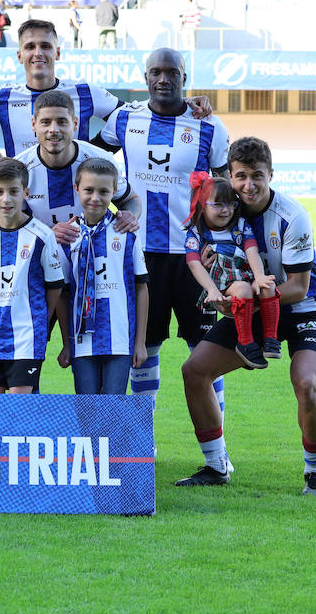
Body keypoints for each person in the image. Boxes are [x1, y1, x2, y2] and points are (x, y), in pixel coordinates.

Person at [178, 137, 316, 495]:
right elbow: (203, 262)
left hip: (302, 304)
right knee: (195, 371)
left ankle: (315, 472)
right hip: (249, 302)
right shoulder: (217, 210)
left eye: (257, 176)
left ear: (271, 175)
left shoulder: (292, 216)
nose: (249, 186)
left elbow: (297, 285)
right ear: (229, 175)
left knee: (306, 383)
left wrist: (245, 303)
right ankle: (217, 466)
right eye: (241, 176)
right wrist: (220, 290)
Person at [97, 48, 230, 431]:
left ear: (184, 77)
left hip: (195, 258)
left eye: (172, 72)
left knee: (207, 354)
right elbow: (87, 159)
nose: (163, 78)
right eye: (156, 71)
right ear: (145, 77)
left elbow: (223, 192)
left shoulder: (209, 126)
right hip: (141, 257)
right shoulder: (124, 119)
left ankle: (217, 451)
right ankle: (143, 444)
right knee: (145, 351)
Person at [53, 158, 147, 395]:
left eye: (104, 191)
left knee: (112, 409)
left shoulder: (127, 233)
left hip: (119, 339)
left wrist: (140, 342)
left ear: (114, 192)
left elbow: (141, 287)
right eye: (88, 190)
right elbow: (63, 294)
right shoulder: (68, 237)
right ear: (77, 189)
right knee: (87, 411)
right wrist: (66, 342)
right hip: (81, 341)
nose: (95, 197)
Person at [0, 158, 64, 394]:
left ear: (25, 193)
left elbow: (54, 286)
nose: (7, 199)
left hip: (27, 335)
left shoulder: (42, 236)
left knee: (18, 407)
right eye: (0, 191)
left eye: (13, 191)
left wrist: (41, 321)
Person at [0, 19, 120, 156]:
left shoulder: (85, 92)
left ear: (57, 53)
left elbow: (127, 118)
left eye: (45, 46)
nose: (38, 53)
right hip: (22, 181)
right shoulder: (0, 97)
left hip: (75, 181)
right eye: (30, 47)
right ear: (20, 56)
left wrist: (93, 154)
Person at [183, 172, 279, 369]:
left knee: (268, 286)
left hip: (245, 273)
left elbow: (251, 251)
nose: (225, 210)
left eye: (230, 203)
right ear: (202, 204)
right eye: (218, 204)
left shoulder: (240, 225)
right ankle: (245, 342)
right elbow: (194, 264)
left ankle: (271, 338)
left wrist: (260, 277)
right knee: (243, 290)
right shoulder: (197, 232)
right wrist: (212, 290)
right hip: (221, 281)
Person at [16, 89, 142, 230]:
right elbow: (15, 226)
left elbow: (131, 199)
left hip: (94, 251)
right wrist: (49, 237)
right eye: (45, 122)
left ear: (75, 123)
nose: (53, 129)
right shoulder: (19, 169)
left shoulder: (102, 160)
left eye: (62, 122)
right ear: (34, 125)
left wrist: (130, 216)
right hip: (43, 250)